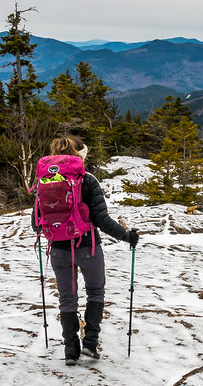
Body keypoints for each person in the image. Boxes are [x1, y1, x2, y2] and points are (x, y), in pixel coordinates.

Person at [33, 136, 138, 363]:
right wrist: (126, 236)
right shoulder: (86, 179)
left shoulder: (45, 181)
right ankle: (90, 343)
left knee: (67, 299)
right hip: (88, 246)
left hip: (59, 249)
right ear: (80, 155)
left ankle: (70, 351)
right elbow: (102, 219)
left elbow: (36, 223)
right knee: (95, 292)